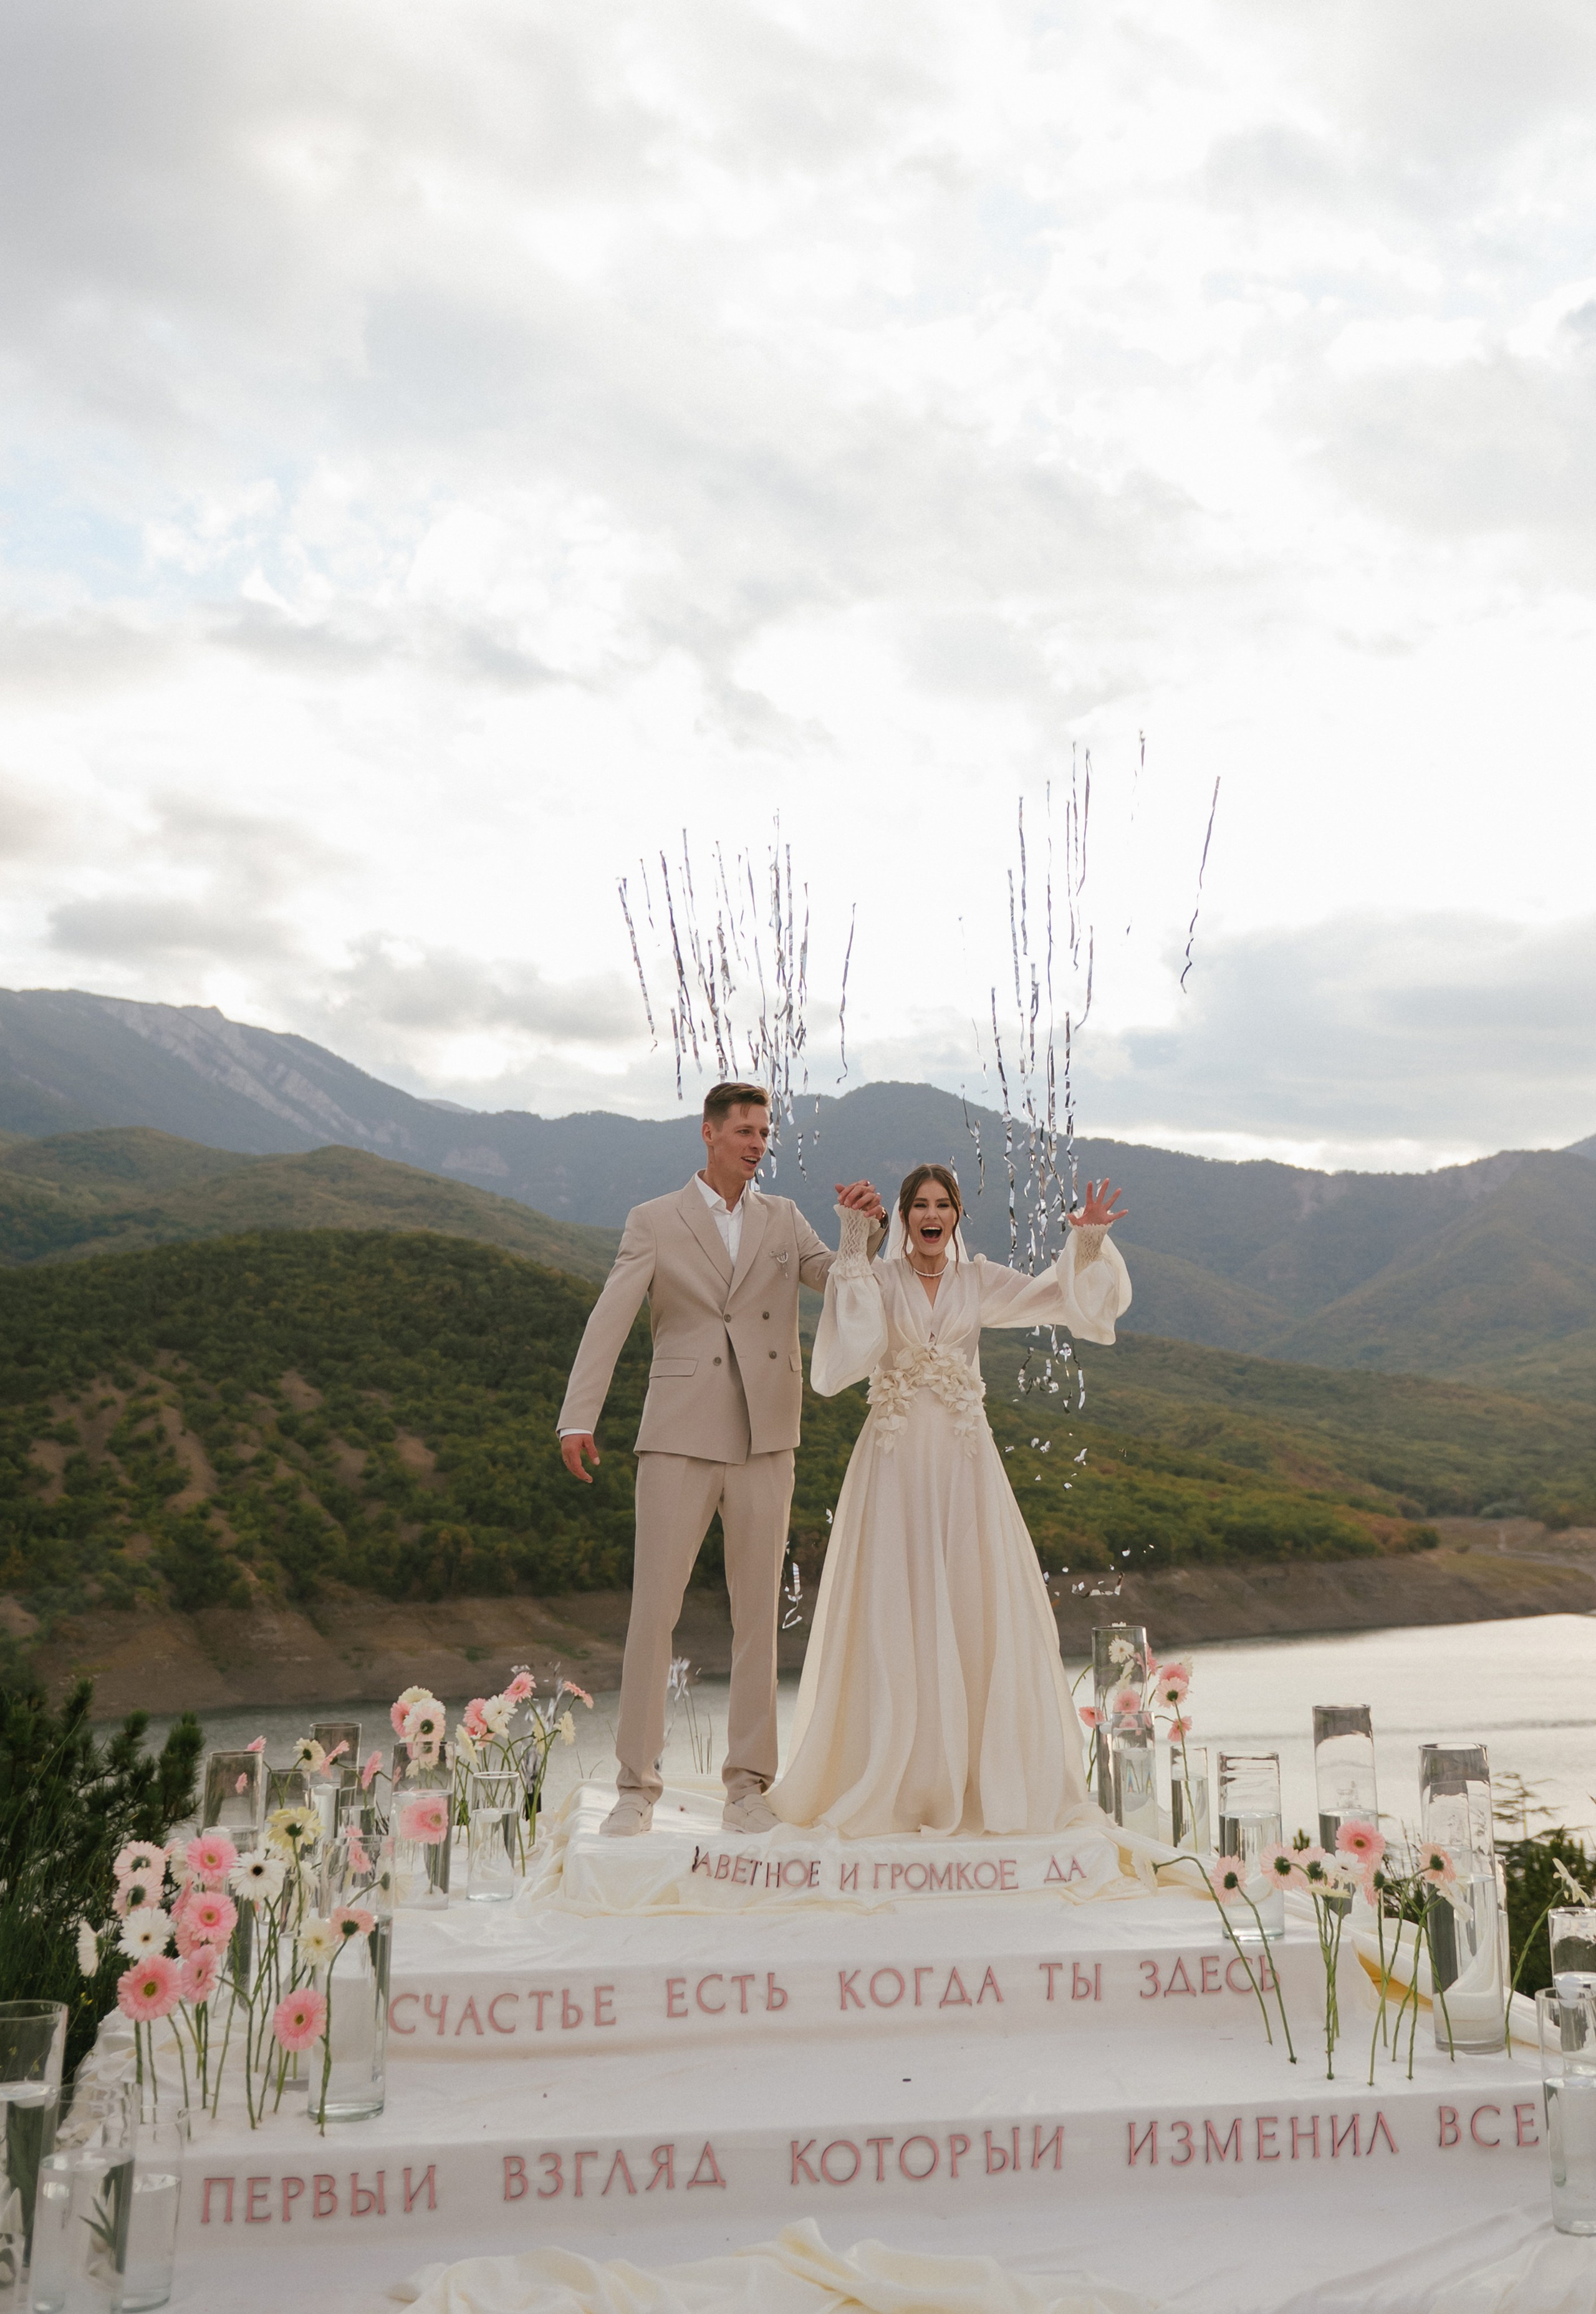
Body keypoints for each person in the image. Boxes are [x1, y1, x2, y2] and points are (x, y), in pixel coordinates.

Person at [557, 1080, 886, 1836]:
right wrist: (578, 1418)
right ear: (707, 1134)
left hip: (767, 1433)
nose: (756, 1142)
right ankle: (636, 1785)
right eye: (743, 1129)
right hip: (677, 1431)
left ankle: (747, 1785)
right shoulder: (654, 1220)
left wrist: (862, 1230)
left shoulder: (784, 1218)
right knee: (654, 1611)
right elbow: (609, 1319)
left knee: (756, 1618)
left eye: (764, 1132)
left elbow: (837, 1282)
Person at [767, 1163, 1131, 1838]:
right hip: (895, 1464)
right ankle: (890, 1779)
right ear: (902, 1217)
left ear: (957, 1215)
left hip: (965, 1466)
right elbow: (845, 1352)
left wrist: (1084, 1244)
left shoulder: (978, 1280)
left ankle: (974, 1778)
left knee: (970, 1599)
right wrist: (853, 1241)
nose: (931, 1215)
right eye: (919, 1205)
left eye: (943, 1204)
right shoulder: (879, 1280)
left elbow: (1057, 1298)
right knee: (892, 1605)